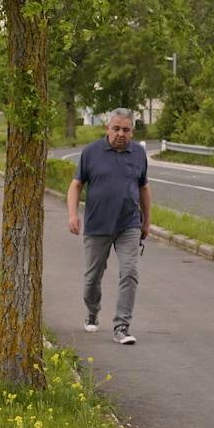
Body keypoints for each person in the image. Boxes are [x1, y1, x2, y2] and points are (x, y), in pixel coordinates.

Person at [67, 108, 151, 345]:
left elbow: (144, 188)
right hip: (97, 226)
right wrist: (73, 215)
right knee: (92, 278)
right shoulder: (91, 153)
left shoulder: (138, 154)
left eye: (126, 129)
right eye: (116, 128)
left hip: (129, 225)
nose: (120, 134)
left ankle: (121, 326)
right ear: (108, 128)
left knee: (130, 272)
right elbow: (75, 186)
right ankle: (92, 311)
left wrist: (147, 220)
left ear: (132, 132)